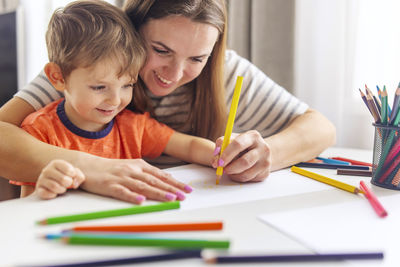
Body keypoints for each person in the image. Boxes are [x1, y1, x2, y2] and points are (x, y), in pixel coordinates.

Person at [0, 0, 336, 203]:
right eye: (161, 50)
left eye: (197, 58)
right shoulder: (94, 64)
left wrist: (265, 154)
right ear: (133, 32)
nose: (174, 74)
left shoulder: (226, 73)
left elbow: (320, 128)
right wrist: (92, 168)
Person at [10, 0, 216, 202]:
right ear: (57, 77)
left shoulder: (133, 126)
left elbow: (189, 145)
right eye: (99, 87)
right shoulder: (38, 132)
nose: (116, 100)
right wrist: (46, 188)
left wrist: (222, 154)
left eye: (128, 85)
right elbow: (28, 205)